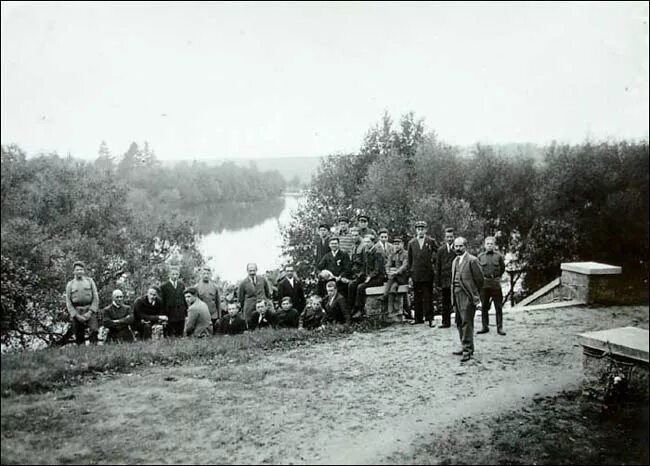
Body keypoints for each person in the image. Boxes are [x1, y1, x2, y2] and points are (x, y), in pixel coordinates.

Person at [451, 237, 484, 362]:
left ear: (465, 246)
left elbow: (480, 280)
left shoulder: (472, 260)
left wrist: (474, 295)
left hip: (467, 296)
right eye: (456, 246)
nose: (458, 249)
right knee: (459, 322)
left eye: (460, 246)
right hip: (456, 295)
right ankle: (464, 345)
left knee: (466, 322)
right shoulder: (455, 261)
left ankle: (468, 350)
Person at [406, 221, 438, 327]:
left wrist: (433, 262)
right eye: (418, 228)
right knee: (417, 297)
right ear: (416, 230)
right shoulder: (411, 243)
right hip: (416, 274)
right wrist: (410, 275)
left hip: (427, 274)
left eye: (422, 228)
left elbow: (437, 253)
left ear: (425, 230)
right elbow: (409, 260)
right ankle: (418, 318)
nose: (420, 230)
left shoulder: (431, 241)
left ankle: (430, 318)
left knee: (428, 296)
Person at [65, 261, 100, 345]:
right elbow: (68, 302)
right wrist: (76, 315)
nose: (79, 271)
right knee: (79, 334)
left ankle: (94, 350)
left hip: (89, 310)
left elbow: (96, 298)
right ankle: (81, 352)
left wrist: (90, 312)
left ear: (84, 271)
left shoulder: (90, 281)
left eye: (81, 269)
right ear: (74, 272)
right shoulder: (70, 284)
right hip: (77, 311)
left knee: (94, 330)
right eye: (77, 270)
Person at [477, 236, 507, 336]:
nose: (489, 245)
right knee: (484, 306)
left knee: (498, 306)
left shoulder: (498, 256)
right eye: (487, 244)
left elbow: (502, 268)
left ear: (494, 245)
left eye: (491, 244)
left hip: (495, 283)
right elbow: (478, 270)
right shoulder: (480, 256)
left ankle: (500, 327)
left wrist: (497, 278)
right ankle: (484, 326)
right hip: (485, 284)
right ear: (484, 245)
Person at [354, 237, 387, 318]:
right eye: (364, 242)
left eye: (368, 242)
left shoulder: (378, 252)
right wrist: (360, 275)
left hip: (378, 278)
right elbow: (364, 266)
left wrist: (369, 276)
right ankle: (353, 308)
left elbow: (377, 269)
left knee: (361, 287)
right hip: (368, 276)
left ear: (373, 242)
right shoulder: (366, 251)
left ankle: (361, 310)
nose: (366, 244)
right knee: (352, 284)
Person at [436, 228, 456, 328]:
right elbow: (438, 266)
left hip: (455, 279)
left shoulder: (457, 249)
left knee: (457, 301)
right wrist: (438, 281)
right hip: (444, 279)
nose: (449, 239)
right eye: (447, 237)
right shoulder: (441, 250)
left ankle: (459, 320)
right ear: (445, 238)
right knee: (445, 301)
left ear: (454, 237)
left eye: (451, 237)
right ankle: (446, 322)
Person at [384, 236, 409, 316]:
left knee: (392, 279)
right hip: (394, 279)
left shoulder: (406, 254)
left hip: (403, 277)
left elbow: (404, 266)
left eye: (398, 244)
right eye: (395, 244)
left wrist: (396, 272)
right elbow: (388, 265)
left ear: (402, 244)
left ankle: (384, 296)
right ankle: (391, 311)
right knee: (393, 287)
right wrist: (388, 271)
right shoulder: (392, 254)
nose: (396, 246)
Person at [160, 266, 187, 337]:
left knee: (180, 335)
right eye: (173, 274)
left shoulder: (182, 285)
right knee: (170, 335)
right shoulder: (164, 286)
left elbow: (184, 299)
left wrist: (185, 312)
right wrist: (163, 314)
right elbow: (162, 302)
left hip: (180, 314)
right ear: (169, 275)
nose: (175, 276)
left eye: (177, 274)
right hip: (170, 314)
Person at [195, 265, 222, 334]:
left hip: (213, 315)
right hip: (201, 316)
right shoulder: (196, 287)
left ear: (210, 275)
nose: (206, 276)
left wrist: (219, 317)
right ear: (201, 274)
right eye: (204, 273)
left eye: (208, 274)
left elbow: (218, 302)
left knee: (215, 336)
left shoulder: (215, 286)